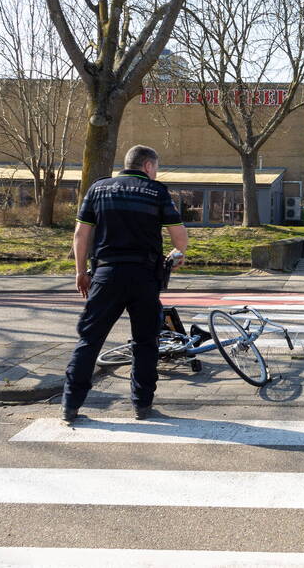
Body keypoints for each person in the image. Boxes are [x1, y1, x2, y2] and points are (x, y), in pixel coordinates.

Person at [61, 145, 188, 423]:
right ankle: (142, 405)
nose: (156, 172)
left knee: (90, 339)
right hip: (144, 277)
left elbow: (81, 234)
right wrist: (177, 255)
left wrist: (80, 271)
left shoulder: (98, 189)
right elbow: (179, 236)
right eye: (155, 167)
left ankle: (70, 405)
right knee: (145, 342)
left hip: (106, 275)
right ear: (147, 166)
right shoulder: (157, 192)